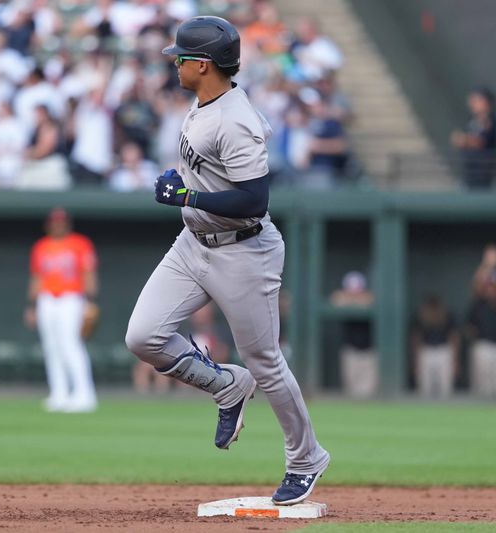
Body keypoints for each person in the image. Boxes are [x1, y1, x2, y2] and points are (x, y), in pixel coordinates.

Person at [125, 16, 330, 506]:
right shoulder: (203, 104)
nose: (174, 62)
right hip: (193, 244)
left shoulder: (235, 118)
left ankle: (306, 458)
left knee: (265, 360)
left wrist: (187, 195)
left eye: (181, 56)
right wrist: (188, 191)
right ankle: (225, 386)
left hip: (244, 250)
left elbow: (254, 200)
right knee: (143, 336)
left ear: (204, 64)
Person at [24, 207, 99, 413]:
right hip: (47, 299)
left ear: (67, 223)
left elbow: (88, 273)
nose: (58, 224)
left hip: (71, 298)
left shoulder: (80, 243)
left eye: (61, 221)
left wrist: (90, 301)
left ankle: (84, 394)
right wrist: (31, 305)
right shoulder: (42, 246)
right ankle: (59, 393)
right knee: (51, 347)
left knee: (71, 344)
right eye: (54, 221)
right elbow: (37, 277)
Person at [330, 271, 377, 399]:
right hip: (350, 351)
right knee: (351, 392)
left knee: (368, 393)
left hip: (368, 352)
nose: (354, 293)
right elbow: (336, 299)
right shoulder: (342, 297)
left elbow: (370, 299)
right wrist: (351, 299)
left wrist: (355, 300)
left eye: (357, 290)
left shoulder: (369, 298)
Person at [410, 294, 459, 399]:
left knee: (446, 387)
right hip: (426, 351)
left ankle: (447, 412)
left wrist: (454, 360)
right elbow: (416, 338)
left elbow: (453, 337)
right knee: (424, 387)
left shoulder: (447, 315)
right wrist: (415, 360)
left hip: (444, 351)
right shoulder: (421, 316)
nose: (433, 308)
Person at [465, 244, 496, 397]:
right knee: (483, 389)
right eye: (489, 286)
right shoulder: (479, 302)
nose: (491, 288)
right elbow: (477, 285)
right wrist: (487, 265)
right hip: (483, 345)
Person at [450, 88, 495, 190]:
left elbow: (481, 142)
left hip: (485, 175)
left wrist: (465, 140)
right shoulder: (472, 121)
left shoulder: (491, 120)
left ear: (486, 102)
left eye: (477, 100)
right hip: (470, 173)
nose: (472, 104)